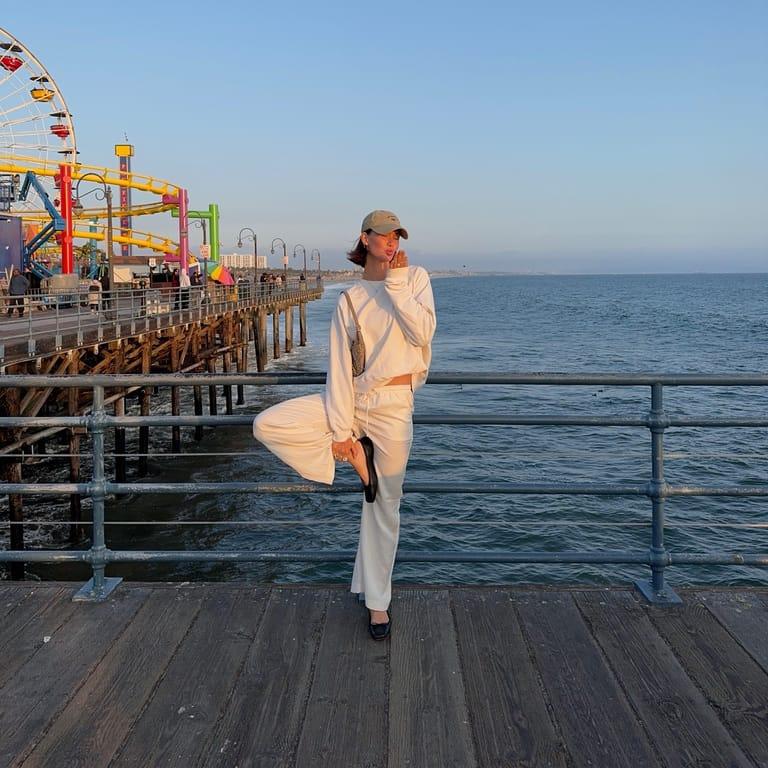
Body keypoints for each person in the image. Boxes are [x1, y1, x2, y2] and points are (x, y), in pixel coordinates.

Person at [253, 210, 436, 640]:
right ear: (365, 239)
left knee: (383, 507)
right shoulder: (350, 298)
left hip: (394, 405)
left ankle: (378, 604)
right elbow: (338, 369)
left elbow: (423, 333)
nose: (391, 242)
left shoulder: (415, 279)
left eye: (396, 236)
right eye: (383, 235)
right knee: (268, 423)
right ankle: (353, 451)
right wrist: (340, 432)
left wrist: (396, 281)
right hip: (353, 401)